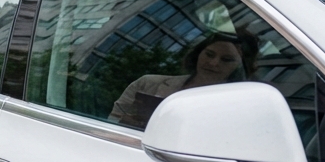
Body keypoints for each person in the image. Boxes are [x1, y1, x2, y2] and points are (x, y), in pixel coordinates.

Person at [109, 29, 259, 129]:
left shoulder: (239, 110)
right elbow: (110, 123)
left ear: (241, 67)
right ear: (198, 53)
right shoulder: (148, 84)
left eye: (227, 59)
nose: (213, 63)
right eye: (209, 54)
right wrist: (126, 123)